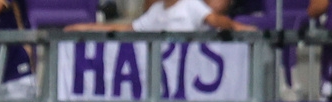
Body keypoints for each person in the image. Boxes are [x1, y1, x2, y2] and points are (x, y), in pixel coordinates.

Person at [67, 0, 256, 32]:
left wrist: (242, 29)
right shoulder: (156, 11)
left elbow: (216, 20)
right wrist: (85, 28)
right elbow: (127, 29)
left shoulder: (190, 5)